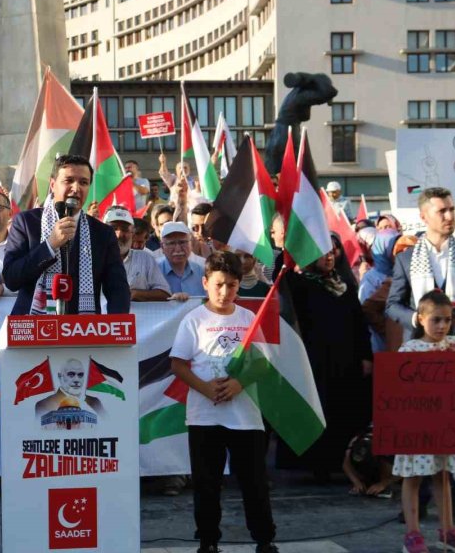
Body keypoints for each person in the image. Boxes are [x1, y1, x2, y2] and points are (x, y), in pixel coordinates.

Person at [169, 251, 279, 553]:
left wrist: (239, 383)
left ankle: (265, 539)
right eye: (218, 284)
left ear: (239, 285)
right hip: (204, 416)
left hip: (246, 417)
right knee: (207, 484)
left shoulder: (247, 318)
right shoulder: (194, 319)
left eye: (231, 285)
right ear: (205, 283)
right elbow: (177, 364)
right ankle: (207, 541)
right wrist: (205, 388)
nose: (224, 292)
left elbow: (263, 363)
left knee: (254, 484)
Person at [395, 290, 455, 553]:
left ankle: (447, 531)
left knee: (443, 475)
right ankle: (412, 534)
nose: (443, 325)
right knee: (412, 477)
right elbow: (399, 391)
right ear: (421, 319)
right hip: (416, 427)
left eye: (447, 320)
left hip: (447, 426)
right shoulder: (409, 350)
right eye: (436, 320)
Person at [282, 244, 372, 481]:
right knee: (320, 409)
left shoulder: (344, 284)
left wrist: (366, 356)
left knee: (344, 410)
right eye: (323, 251)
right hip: (315, 361)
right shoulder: (301, 285)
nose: (329, 256)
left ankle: (343, 464)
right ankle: (318, 465)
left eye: (333, 251)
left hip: (347, 361)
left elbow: (358, 322)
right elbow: (285, 281)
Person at [3, 155, 130, 315]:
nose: (76, 188)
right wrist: (50, 245)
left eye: (83, 182)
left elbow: (117, 289)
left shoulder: (102, 232)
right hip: (33, 326)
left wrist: (117, 328)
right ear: (53, 184)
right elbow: (11, 279)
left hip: (84, 328)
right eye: (68, 180)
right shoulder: (27, 222)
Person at [387, 187, 455, 353]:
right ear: (424, 217)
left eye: (452, 209)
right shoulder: (405, 259)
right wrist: (418, 319)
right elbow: (393, 305)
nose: (450, 217)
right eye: (442, 211)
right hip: (418, 347)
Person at [103, 206, 170, 302]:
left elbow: (165, 293)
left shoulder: (145, 259)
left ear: (132, 233)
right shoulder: (90, 259)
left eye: (125, 229)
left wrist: (136, 294)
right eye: (113, 228)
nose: (119, 235)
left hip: (138, 317)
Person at [358, 229, 403, 353]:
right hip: (382, 343)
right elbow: (366, 310)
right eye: (392, 247)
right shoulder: (370, 278)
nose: (397, 252)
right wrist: (390, 330)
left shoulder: (402, 272)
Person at [34, 357, 105, 416]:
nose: (77, 380)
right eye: (71, 374)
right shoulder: (44, 404)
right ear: (60, 376)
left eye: (80, 375)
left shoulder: (95, 402)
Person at [342, 424, 395, 498]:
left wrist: (383, 484)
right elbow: (345, 464)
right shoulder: (355, 441)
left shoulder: (390, 444)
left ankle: (381, 481)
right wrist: (356, 481)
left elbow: (408, 469)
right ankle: (366, 480)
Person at [157, 222, 206, 300]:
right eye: (171, 243)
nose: (178, 249)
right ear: (162, 247)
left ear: (191, 244)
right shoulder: (154, 272)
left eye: (182, 242)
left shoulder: (202, 271)